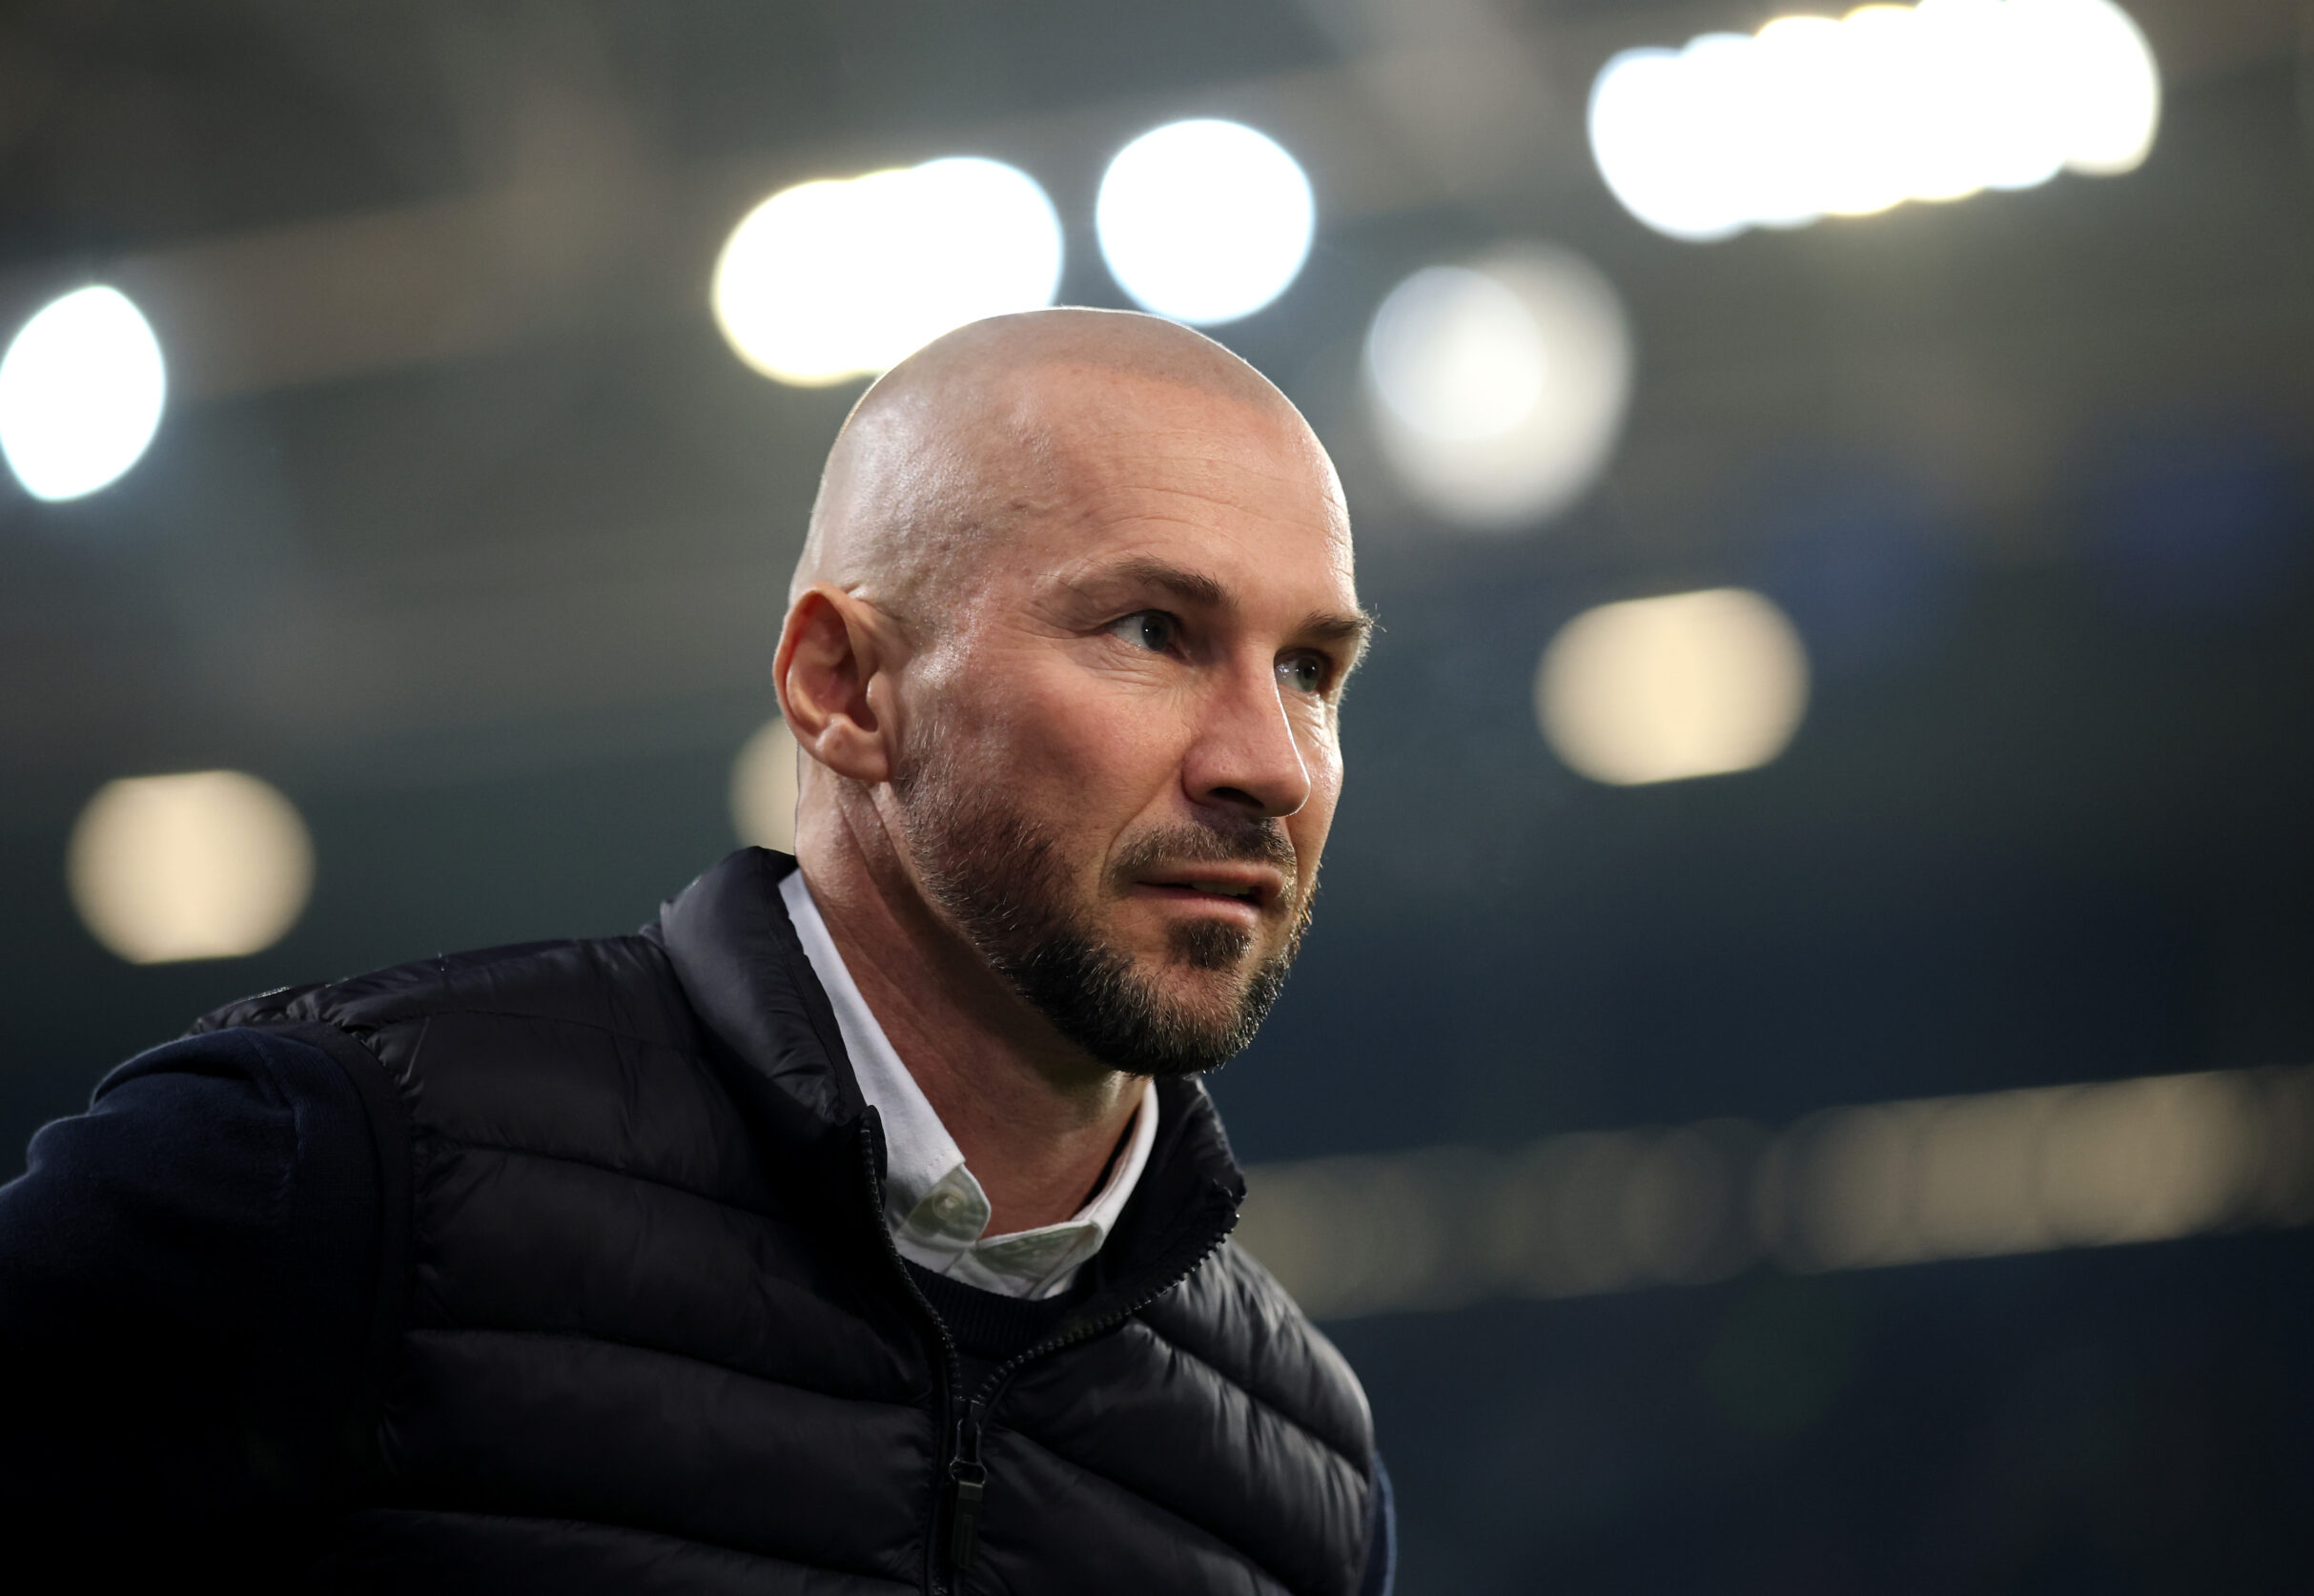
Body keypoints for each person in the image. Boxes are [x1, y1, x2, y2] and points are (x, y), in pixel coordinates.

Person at [0, 309, 1392, 1594]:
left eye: (1310, 670)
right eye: (1155, 632)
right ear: (845, 689)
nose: (1271, 764)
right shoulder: (321, 1170)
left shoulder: (1307, 1476)